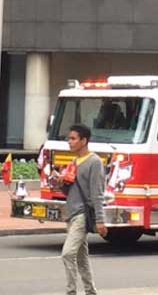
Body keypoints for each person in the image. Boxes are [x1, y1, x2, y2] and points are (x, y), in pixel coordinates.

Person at [53, 124, 106, 295]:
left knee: (67, 254)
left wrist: (100, 220)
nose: (69, 142)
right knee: (82, 258)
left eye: (73, 138)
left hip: (82, 215)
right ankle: (91, 291)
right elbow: (70, 192)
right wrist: (61, 182)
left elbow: (97, 193)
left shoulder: (94, 162)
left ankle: (71, 291)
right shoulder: (74, 162)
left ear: (84, 141)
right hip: (71, 213)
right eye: (69, 138)